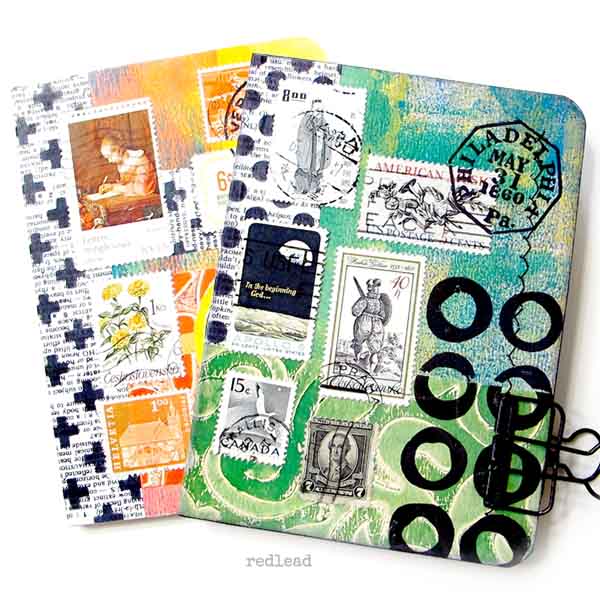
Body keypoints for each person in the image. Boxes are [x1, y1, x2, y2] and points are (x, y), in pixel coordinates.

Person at [351, 278, 391, 369]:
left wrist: (361, 304)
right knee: (374, 348)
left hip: (365, 323)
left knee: (359, 342)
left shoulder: (365, 300)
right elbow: (383, 314)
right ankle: (371, 368)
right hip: (377, 324)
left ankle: (357, 359)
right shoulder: (380, 303)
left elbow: (355, 312)